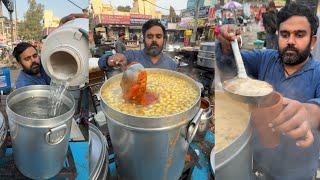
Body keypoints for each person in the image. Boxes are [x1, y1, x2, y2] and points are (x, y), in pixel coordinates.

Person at [216, 2, 320, 179]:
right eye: (285, 34)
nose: (290, 41)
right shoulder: (266, 58)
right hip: (256, 161)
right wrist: (227, 46)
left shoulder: (317, 72)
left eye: (300, 35)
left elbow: (317, 110)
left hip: (296, 172)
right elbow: (230, 63)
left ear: (313, 41)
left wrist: (309, 113)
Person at [98, 19, 177, 71]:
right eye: (149, 36)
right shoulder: (131, 56)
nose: (154, 40)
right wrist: (109, 60)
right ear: (143, 40)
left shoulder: (171, 65)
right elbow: (101, 63)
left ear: (164, 40)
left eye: (158, 36)